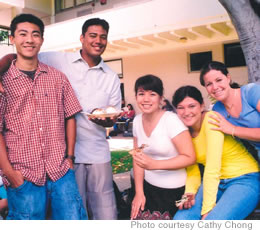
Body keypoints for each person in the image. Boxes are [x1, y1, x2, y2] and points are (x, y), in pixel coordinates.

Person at [0, 14, 87, 220]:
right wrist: (9, 173)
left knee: (73, 220)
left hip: (60, 171)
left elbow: (70, 116)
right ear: (12, 39)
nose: (29, 39)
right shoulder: (3, 83)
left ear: (42, 40)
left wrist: (70, 158)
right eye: (23, 34)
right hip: (23, 174)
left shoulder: (58, 78)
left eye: (35, 34)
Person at [37, 18, 121, 219]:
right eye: (93, 36)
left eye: (103, 37)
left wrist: (108, 122)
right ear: (82, 38)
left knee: (106, 213)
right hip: (66, 156)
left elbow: (113, 115)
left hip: (97, 153)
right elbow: (22, 55)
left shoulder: (111, 76)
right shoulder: (59, 60)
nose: (98, 41)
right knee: (73, 211)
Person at [172, 85, 259, 220]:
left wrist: (207, 209)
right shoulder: (182, 131)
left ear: (202, 106)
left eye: (191, 106)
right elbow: (192, 169)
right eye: (180, 107)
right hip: (216, 182)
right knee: (180, 220)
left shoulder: (211, 119)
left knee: (212, 223)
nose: (186, 112)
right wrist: (189, 193)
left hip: (244, 178)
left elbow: (213, 167)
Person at [130, 75, 196, 220]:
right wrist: (139, 192)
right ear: (136, 96)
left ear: (161, 98)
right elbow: (137, 158)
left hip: (176, 192)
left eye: (152, 94)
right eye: (141, 94)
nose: (146, 99)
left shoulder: (171, 120)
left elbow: (190, 157)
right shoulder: (136, 121)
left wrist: (155, 164)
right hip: (148, 188)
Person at [200, 61, 260, 162]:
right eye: (209, 84)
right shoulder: (217, 110)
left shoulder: (251, 92)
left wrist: (233, 129)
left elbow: (231, 129)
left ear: (228, 78)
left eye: (219, 80)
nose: (215, 87)